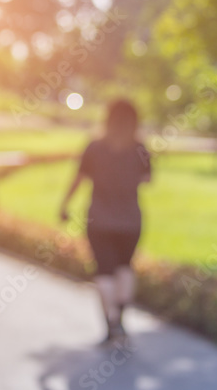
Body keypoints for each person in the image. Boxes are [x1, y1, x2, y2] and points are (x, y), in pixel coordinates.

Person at [59, 99, 151, 345]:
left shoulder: (95, 147)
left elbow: (78, 178)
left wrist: (64, 204)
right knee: (125, 267)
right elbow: (148, 178)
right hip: (131, 220)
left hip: (99, 219)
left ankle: (110, 322)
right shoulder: (139, 148)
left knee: (104, 271)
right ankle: (120, 317)